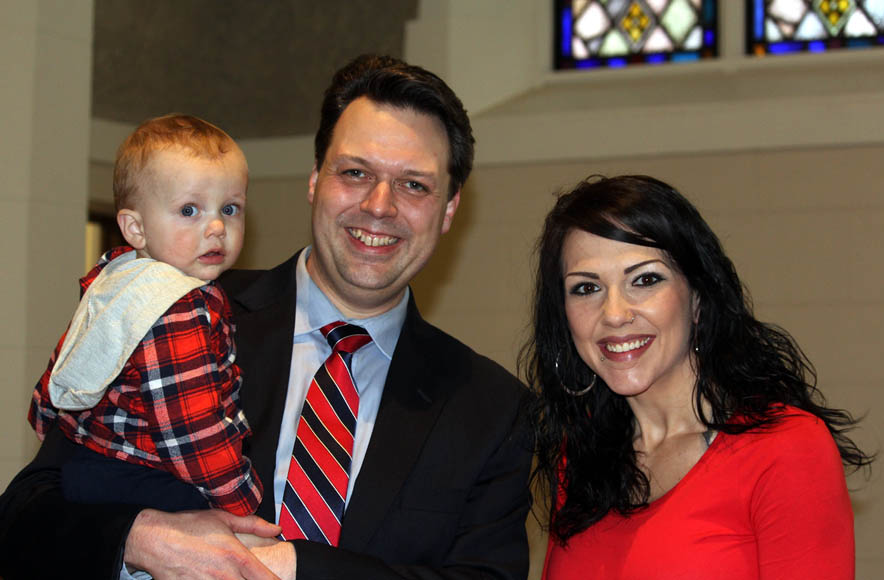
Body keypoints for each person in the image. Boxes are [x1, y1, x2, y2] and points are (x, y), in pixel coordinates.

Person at [0, 55, 531, 580]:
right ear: (315, 179)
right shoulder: (173, 312)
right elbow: (23, 516)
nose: (379, 206)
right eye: (354, 172)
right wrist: (139, 540)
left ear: (450, 209)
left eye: (414, 184)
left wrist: (299, 566)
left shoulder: (490, 409)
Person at [522, 175, 872, 579]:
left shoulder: (785, 448)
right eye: (586, 288)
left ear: (699, 298)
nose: (614, 314)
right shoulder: (581, 453)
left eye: (645, 280)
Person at [29, 113, 262, 516]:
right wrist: (241, 502)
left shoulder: (116, 277)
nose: (216, 227)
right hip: (151, 481)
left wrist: (48, 422)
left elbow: (67, 365)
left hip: (88, 468)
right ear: (135, 228)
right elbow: (191, 431)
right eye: (189, 210)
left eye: (230, 208)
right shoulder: (181, 306)